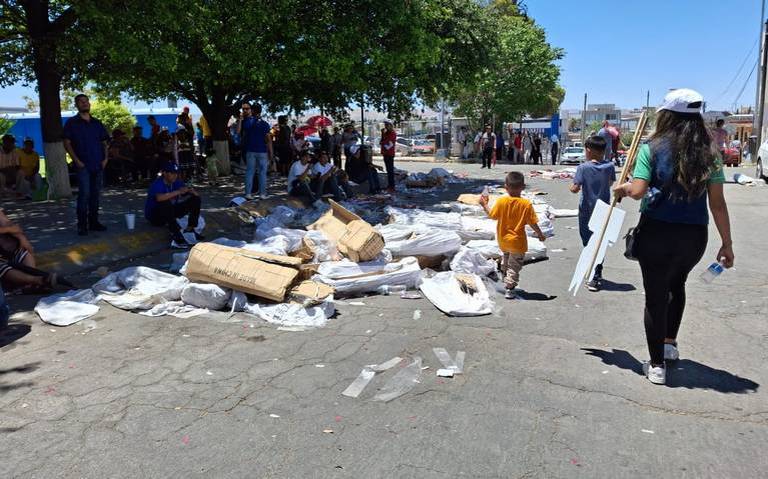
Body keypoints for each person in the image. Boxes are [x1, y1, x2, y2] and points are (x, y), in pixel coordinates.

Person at [613, 88, 734, 385]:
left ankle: (656, 365)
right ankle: (669, 344)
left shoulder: (651, 148)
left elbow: (638, 190)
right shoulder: (709, 153)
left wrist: (623, 188)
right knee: (677, 285)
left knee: (655, 295)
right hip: (694, 236)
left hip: (657, 231)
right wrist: (727, 244)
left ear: (666, 115)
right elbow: (717, 203)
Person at [479, 171, 545, 299]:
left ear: (505, 187)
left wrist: (484, 204)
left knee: (506, 260)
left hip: (503, 240)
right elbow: (532, 223)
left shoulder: (501, 201)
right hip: (518, 242)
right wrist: (540, 234)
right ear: (523, 187)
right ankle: (510, 288)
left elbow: (492, 215)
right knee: (514, 265)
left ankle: (505, 278)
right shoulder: (526, 204)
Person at [569, 135, 616, 291]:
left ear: (588, 150)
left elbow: (575, 189)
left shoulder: (583, 168)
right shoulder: (609, 166)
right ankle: (596, 272)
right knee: (600, 242)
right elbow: (610, 183)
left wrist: (573, 186)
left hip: (587, 210)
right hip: (604, 210)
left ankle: (593, 275)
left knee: (588, 242)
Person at [63, 94, 110, 236]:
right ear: (76, 105)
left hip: (98, 164)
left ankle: (94, 222)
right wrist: (76, 160)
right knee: (84, 195)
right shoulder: (72, 123)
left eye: (86, 101)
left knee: (95, 195)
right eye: (81, 102)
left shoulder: (97, 123)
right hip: (83, 165)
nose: (84, 104)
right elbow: (66, 143)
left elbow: (104, 142)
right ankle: (82, 225)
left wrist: (106, 158)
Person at [145, 162, 203, 249]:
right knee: (165, 202)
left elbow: (192, 194)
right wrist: (178, 191)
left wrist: (190, 191)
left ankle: (190, 229)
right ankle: (176, 234)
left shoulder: (176, 182)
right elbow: (159, 198)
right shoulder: (157, 183)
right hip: (156, 216)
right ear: (164, 173)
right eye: (172, 173)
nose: (175, 175)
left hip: (170, 212)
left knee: (195, 199)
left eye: (176, 173)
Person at [0, 208, 58, 290]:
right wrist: (6, 230)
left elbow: (14, 227)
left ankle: (31, 283)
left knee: (24, 252)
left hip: (5, 253)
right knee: (1, 267)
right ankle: (37, 280)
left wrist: (21, 237)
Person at [238, 103, 273, 200]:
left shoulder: (248, 122)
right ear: (261, 111)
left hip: (250, 150)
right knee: (262, 173)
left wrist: (241, 119)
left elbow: (240, 132)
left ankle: (248, 193)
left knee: (250, 172)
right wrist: (271, 153)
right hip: (262, 151)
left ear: (252, 110)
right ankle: (262, 194)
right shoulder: (265, 124)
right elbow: (268, 140)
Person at [380, 120, 397, 192]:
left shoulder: (392, 133)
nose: (386, 126)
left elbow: (389, 143)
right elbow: (382, 141)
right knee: (388, 170)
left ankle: (392, 186)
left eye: (387, 125)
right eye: (385, 125)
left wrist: (383, 143)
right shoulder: (386, 133)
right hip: (385, 153)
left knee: (390, 170)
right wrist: (382, 134)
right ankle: (390, 185)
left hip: (389, 153)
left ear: (390, 125)